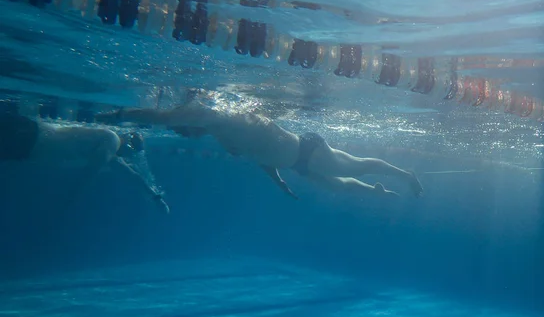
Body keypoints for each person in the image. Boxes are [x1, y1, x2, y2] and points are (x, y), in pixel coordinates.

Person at [95, 100, 424, 200]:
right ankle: (377, 192)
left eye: (183, 128)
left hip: (308, 150)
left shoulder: (214, 118)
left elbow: (160, 115)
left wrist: (121, 114)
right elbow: (260, 156)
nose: (183, 132)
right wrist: (279, 182)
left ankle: (405, 174)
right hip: (296, 164)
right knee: (338, 186)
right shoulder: (218, 135)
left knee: (353, 167)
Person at [0, 112, 169, 213]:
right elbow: (89, 173)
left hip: (29, 139)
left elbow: (131, 175)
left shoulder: (110, 147)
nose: (127, 158)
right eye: (130, 154)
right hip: (28, 137)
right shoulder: (112, 140)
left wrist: (155, 198)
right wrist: (71, 198)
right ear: (129, 145)